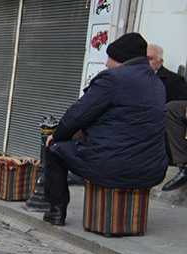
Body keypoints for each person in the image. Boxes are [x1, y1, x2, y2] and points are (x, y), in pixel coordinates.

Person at [41, 33, 167, 226]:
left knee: (54, 150)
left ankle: (56, 211)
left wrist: (56, 137)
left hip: (114, 165)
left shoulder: (113, 79)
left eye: (111, 58)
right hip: (152, 169)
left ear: (122, 59)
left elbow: (77, 115)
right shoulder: (158, 84)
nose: (107, 64)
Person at [148, 44, 187, 192]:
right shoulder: (133, 78)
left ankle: (182, 166)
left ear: (160, 61)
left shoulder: (174, 80)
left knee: (170, 110)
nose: (146, 62)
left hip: (161, 128)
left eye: (150, 59)